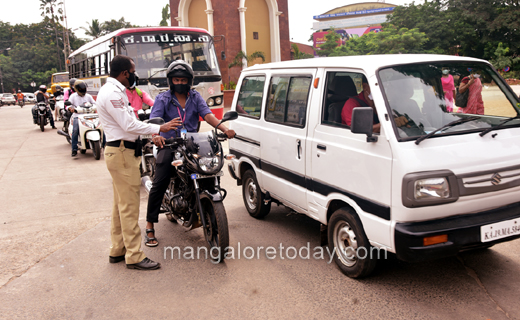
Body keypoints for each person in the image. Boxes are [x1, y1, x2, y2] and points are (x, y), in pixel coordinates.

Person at [96, 54, 178, 270]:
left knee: (119, 206)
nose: (134, 76)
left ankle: (118, 249)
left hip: (121, 151)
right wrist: (159, 128)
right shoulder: (113, 93)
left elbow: (129, 122)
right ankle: (134, 255)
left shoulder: (115, 91)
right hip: (122, 152)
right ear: (124, 73)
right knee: (130, 206)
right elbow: (128, 124)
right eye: (132, 72)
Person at [144, 60, 236, 247]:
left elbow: (208, 114)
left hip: (192, 144)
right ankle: (149, 225)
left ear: (189, 81)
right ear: (170, 81)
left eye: (183, 79)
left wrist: (225, 129)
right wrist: (156, 135)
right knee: (160, 181)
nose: (180, 82)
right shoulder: (163, 99)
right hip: (169, 144)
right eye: (176, 79)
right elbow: (155, 120)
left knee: (210, 170)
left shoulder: (195, 97)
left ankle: (205, 204)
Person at [67, 80, 96, 157]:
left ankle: (104, 144)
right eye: (81, 89)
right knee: (75, 130)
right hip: (78, 116)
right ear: (76, 89)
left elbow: (94, 103)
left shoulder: (88, 96)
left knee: (100, 126)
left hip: (89, 116)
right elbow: (68, 105)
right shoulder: (73, 96)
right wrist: (71, 109)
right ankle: (74, 149)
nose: (83, 90)